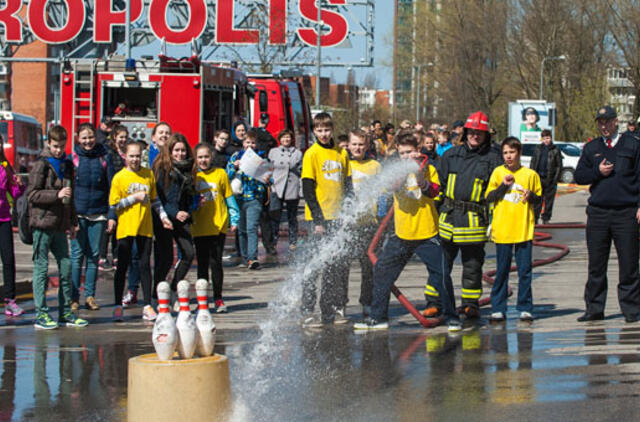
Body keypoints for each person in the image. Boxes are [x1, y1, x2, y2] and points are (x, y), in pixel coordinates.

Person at [354, 132, 461, 331]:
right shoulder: (396, 171)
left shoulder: (429, 168)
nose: (406, 156)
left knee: (441, 275)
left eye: (410, 152)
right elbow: (392, 186)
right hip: (402, 233)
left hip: (427, 232)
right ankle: (378, 317)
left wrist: (421, 176)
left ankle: (452, 317)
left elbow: (434, 192)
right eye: (402, 153)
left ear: (417, 151)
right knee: (382, 271)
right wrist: (404, 172)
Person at [424, 111, 502, 320]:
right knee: (440, 264)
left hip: (474, 219)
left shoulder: (493, 159)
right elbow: (438, 185)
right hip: (448, 218)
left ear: (486, 135)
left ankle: (470, 304)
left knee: (473, 265)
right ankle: (434, 302)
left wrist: (494, 222)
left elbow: (496, 193)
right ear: (466, 131)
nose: (475, 136)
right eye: (472, 132)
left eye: (480, 133)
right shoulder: (451, 155)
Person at [574, 105, 640, 322]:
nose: (604, 126)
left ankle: (631, 309)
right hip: (599, 214)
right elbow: (580, 176)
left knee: (629, 264)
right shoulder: (591, 147)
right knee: (596, 264)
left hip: (626, 213)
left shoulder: (632, 144)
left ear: (615, 121)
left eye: (607, 121)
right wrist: (597, 172)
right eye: (600, 122)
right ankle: (594, 309)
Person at [27, 125, 88, 329]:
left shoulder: (67, 164)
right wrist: (56, 194)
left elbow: (70, 195)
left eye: (62, 146)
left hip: (60, 225)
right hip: (43, 224)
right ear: (48, 143)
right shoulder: (41, 165)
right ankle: (41, 314)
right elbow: (32, 194)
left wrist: (73, 221)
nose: (58, 150)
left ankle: (65, 312)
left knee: (66, 267)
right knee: (41, 268)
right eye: (55, 146)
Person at [109, 141, 173, 322]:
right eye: (132, 156)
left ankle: (147, 305)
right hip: (126, 227)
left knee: (145, 265)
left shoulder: (148, 175)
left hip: (145, 228)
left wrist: (163, 217)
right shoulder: (119, 177)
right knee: (122, 265)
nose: (135, 159)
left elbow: (155, 201)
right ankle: (117, 305)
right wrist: (133, 198)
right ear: (125, 157)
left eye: (138, 156)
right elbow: (115, 205)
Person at [300, 112, 352, 327]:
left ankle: (328, 309)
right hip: (319, 220)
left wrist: (350, 211)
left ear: (332, 130)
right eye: (319, 130)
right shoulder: (311, 154)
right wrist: (319, 219)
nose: (323, 134)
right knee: (315, 265)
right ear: (314, 131)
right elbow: (308, 188)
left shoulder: (341, 153)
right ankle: (307, 311)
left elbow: (348, 186)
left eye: (327, 130)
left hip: (338, 217)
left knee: (333, 266)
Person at [485, 137, 541, 322]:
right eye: (505, 153)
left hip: (523, 230)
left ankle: (525, 307)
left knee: (525, 271)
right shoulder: (497, 172)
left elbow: (539, 200)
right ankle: (498, 307)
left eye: (512, 152)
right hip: (503, 230)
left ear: (519, 153)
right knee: (502, 270)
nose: (509, 157)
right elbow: (490, 197)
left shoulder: (530, 175)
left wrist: (530, 195)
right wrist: (504, 186)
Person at [69, 123, 115, 312]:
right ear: (77, 138)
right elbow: (68, 189)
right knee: (76, 257)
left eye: (90, 137)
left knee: (94, 256)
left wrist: (111, 214)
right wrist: (69, 218)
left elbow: (113, 187)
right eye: (84, 137)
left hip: (99, 213)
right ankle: (73, 298)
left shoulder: (105, 157)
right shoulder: (72, 159)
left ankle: (89, 296)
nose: (88, 141)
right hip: (78, 214)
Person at [192, 143, 240, 313]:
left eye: (206, 157)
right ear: (195, 159)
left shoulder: (220, 174)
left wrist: (234, 219)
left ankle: (218, 298)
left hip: (218, 225)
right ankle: (202, 300)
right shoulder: (193, 176)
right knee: (202, 264)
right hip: (199, 226)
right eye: (200, 157)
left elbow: (229, 198)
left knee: (216, 263)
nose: (203, 160)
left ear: (211, 157)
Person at [152, 134, 197, 292]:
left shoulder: (189, 168)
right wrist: (174, 213)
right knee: (166, 259)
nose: (180, 154)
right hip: (164, 218)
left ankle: (172, 289)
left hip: (181, 216)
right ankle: (156, 294)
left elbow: (189, 196)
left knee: (189, 253)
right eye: (176, 150)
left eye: (183, 150)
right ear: (170, 151)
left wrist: (190, 210)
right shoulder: (162, 168)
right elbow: (160, 197)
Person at [346, 129, 381, 317]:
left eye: (361, 144)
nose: (357, 148)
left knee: (368, 267)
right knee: (342, 265)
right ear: (349, 145)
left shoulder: (375, 165)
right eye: (354, 144)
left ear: (367, 146)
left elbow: (383, 193)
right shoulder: (345, 164)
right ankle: (339, 305)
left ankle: (366, 302)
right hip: (349, 224)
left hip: (370, 223)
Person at [226, 130, 271, 269]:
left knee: (252, 228)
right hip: (238, 198)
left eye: (252, 142)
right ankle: (245, 258)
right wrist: (234, 167)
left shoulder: (261, 158)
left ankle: (252, 258)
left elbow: (270, 177)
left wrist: (267, 179)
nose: (250, 145)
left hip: (254, 197)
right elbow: (226, 175)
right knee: (242, 229)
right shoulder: (235, 156)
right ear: (243, 143)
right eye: (247, 142)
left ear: (256, 144)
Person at [0, 135, 25, 316]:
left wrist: (19, 186)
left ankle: (10, 301)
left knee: (8, 260)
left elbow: (14, 193)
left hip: (4, 220)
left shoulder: (5, 166)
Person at [268, 129, 302, 251]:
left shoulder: (297, 153)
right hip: (276, 187)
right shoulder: (273, 152)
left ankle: (293, 241)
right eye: (283, 137)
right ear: (280, 139)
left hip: (292, 187)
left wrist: (300, 189)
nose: (286, 140)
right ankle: (273, 241)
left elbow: (301, 171)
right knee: (275, 215)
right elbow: (268, 168)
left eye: (288, 137)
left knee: (292, 217)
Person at [529, 129, 562, 224]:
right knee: (537, 200)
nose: (546, 140)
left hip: (550, 179)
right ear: (541, 139)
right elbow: (533, 162)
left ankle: (546, 218)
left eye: (548, 138)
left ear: (551, 138)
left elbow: (559, 166)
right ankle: (535, 218)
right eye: (544, 138)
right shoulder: (538, 149)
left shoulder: (555, 150)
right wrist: (532, 175)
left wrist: (555, 179)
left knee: (549, 201)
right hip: (538, 178)